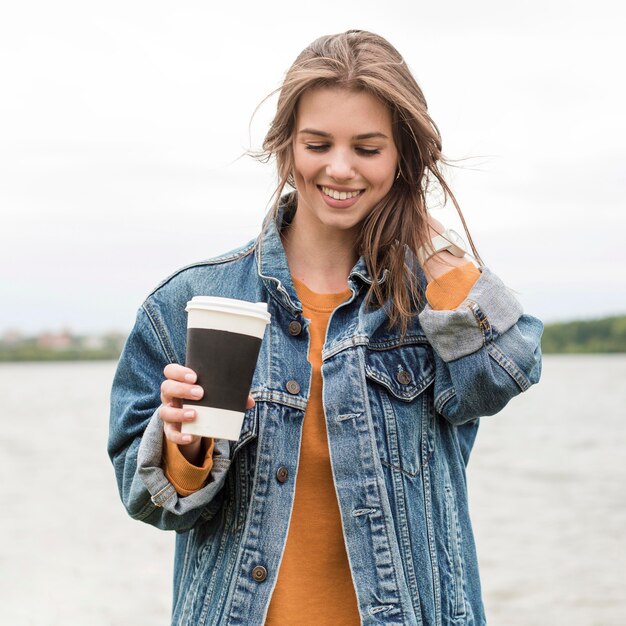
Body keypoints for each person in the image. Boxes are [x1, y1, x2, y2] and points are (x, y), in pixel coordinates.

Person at [108, 30, 542, 626]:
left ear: (400, 157)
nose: (340, 168)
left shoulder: (430, 301)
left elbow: (503, 375)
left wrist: (428, 247)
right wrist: (185, 445)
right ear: (286, 147)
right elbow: (151, 503)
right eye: (318, 144)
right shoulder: (190, 302)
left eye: (368, 148)